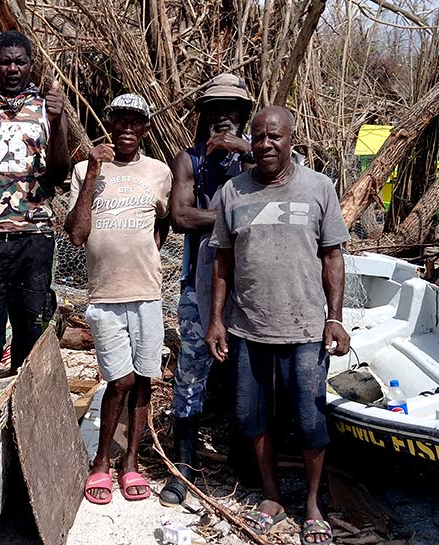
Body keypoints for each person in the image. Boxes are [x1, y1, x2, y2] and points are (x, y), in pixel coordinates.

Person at [205, 106, 350, 542]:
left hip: (305, 328)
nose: (266, 144)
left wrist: (335, 318)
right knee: (251, 417)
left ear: (291, 140)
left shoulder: (319, 188)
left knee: (309, 421)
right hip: (248, 328)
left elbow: (333, 257)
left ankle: (311, 503)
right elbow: (222, 262)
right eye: (259, 137)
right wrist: (216, 320)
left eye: (275, 137)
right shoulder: (233, 192)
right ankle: (271, 496)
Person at [65, 94, 171, 505]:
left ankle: (130, 464)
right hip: (104, 295)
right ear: (109, 122)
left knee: (143, 380)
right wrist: (93, 169)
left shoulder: (158, 172)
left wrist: (142, 256)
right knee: (119, 379)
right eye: (120, 119)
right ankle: (100, 462)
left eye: (136, 121)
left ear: (145, 127)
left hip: (145, 293)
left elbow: (164, 223)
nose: (127, 127)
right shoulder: (83, 169)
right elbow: (76, 234)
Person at [160, 73, 253, 507]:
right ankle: (184, 466)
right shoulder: (190, 160)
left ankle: (243, 462)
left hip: (252, 291)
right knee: (190, 373)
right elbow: (180, 215)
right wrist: (235, 222)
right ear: (203, 116)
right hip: (198, 286)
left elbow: (281, 201)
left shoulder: (260, 161)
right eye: (214, 109)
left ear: (243, 115)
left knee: (246, 374)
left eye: (231, 109)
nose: (223, 117)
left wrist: (247, 152)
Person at [0, 30, 69, 381]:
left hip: (33, 237)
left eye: (20, 62)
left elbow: (61, 172)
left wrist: (55, 121)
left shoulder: (47, 110)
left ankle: (20, 412)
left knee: (29, 333)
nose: (12, 68)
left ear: (31, 65)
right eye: (5, 61)